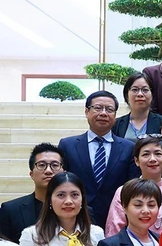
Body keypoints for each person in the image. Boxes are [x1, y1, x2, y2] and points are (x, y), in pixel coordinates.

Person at [58, 91, 138, 228]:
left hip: (116, 219)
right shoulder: (67, 145)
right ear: (86, 111)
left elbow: (131, 186)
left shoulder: (129, 147)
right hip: (76, 217)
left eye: (109, 109)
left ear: (115, 115)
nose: (103, 113)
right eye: (98, 108)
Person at [104, 136, 162, 235]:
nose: (152, 159)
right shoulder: (124, 191)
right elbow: (114, 231)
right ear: (136, 161)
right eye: (146, 154)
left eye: (158, 154)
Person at [0, 143, 64, 242]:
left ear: (64, 172)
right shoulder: (10, 210)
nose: (48, 171)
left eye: (55, 165)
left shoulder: (78, 209)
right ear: (31, 174)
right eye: (41, 165)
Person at [113, 71, 162, 139]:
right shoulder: (116, 124)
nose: (140, 94)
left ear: (152, 95)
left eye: (145, 90)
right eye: (135, 90)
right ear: (126, 95)